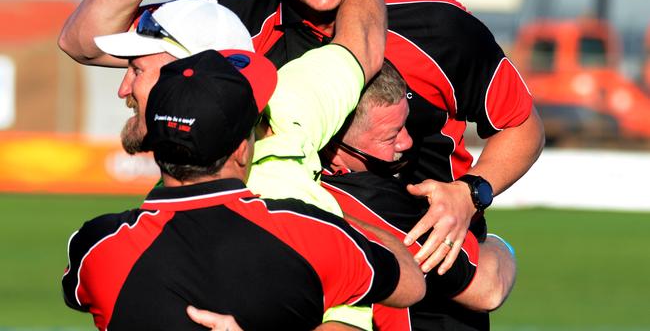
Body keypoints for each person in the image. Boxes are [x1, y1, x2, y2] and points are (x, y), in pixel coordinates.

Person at [58, 0, 545, 273]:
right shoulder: (231, 29)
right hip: (297, 288)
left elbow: (523, 127)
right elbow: (81, 40)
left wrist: (471, 193)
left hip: (431, 287)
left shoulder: (439, 25)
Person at [68, 0, 394, 330]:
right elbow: (362, 41)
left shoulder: (273, 201)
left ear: (192, 73)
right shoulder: (293, 95)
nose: (124, 88)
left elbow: (346, 325)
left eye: (137, 69)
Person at [62, 49, 425, 330]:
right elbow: (411, 282)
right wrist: (335, 216)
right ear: (241, 148)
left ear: (154, 139)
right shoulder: (311, 234)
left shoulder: (95, 246)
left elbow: (79, 293)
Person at [319, 61, 516, 330]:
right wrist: (501, 246)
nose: (406, 142)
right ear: (335, 145)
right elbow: (488, 287)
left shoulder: (282, 178)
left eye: (405, 124)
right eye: (391, 136)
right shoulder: (372, 201)